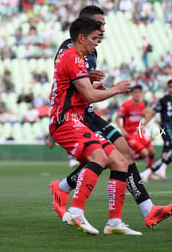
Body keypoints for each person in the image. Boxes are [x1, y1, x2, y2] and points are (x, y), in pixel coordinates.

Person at [50, 5, 172, 231]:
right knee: (105, 157)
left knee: (122, 156)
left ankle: (132, 215)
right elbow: (68, 79)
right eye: (99, 25)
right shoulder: (69, 49)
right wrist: (110, 89)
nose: (103, 29)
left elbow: (78, 81)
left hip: (88, 111)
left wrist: (89, 79)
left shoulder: (89, 51)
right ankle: (69, 196)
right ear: (86, 26)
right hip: (76, 113)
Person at [50, 16, 142, 235]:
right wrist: (116, 90)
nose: (97, 42)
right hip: (65, 121)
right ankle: (75, 211)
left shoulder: (79, 59)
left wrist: (93, 83)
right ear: (81, 38)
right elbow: (89, 96)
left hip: (76, 119)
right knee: (99, 157)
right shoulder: (72, 57)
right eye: (93, 38)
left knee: (120, 161)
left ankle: (114, 223)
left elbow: (78, 90)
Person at [140, 79, 172, 182]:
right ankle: (162, 169)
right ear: (167, 88)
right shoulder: (163, 100)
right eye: (170, 87)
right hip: (166, 129)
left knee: (165, 155)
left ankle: (146, 173)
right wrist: (144, 124)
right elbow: (153, 112)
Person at [115, 85, 158, 180]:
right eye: (136, 92)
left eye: (139, 92)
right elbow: (117, 118)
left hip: (139, 133)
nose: (138, 94)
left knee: (152, 152)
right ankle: (123, 161)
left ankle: (147, 173)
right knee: (145, 153)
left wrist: (145, 123)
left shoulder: (142, 105)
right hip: (130, 134)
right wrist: (122, 129)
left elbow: (148, 115)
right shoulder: (126, 105)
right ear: (131, 94)